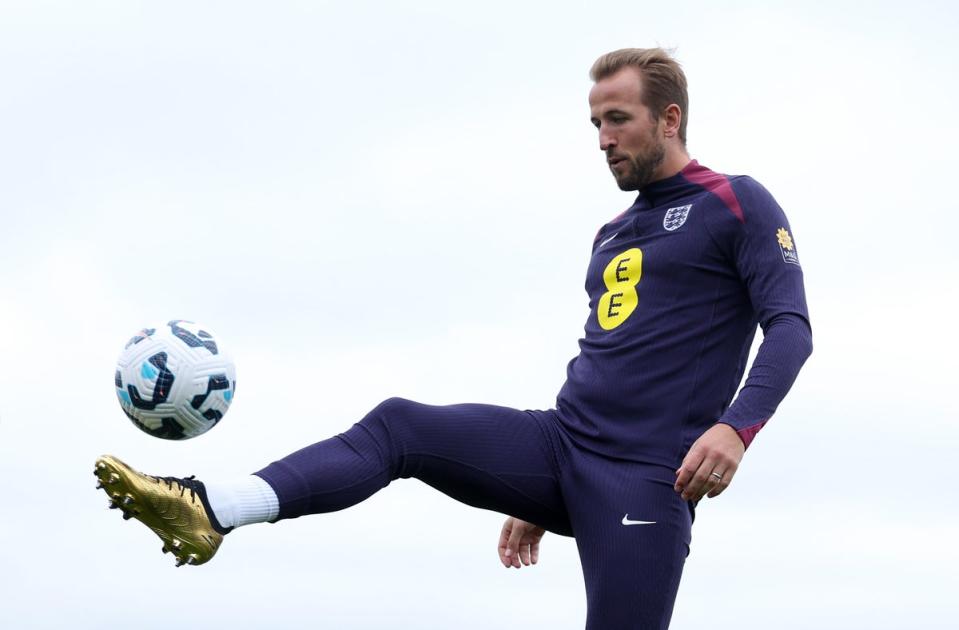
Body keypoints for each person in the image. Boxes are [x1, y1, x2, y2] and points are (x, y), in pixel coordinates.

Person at [94, 47, 812, 629]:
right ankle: (209, 508)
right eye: (593, 123)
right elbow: (610, 359)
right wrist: (538, 490)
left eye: (617, 120)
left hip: (645, 477)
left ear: (669, 119)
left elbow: (790, 328)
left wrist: (734, 430)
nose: (602, 140)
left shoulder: (734, 202)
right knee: (399, 425)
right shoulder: (612, 233)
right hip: (562, 444)